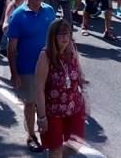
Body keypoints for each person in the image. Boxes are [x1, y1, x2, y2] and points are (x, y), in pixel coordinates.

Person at [7, 0, 58, 153]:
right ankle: (31, 135)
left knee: (48, 100)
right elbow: (12, 48)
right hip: (27, 68)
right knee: (30, 102)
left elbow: (56, 36)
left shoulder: (49, 11)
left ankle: (46, 131)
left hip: (49, 65)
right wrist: (14, 73)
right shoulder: (18, 16)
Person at [35, 19, 88, 157]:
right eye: (60, 34)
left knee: (76, 143)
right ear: (53, 36)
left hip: (74, 106)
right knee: (55, 149)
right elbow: (38, 88)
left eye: (67, 34)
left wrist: (85, 99)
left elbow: (80, 74)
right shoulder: (45, 56)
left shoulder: (73, 48)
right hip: (53, 111)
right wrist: (41, 116)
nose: (65, 38)